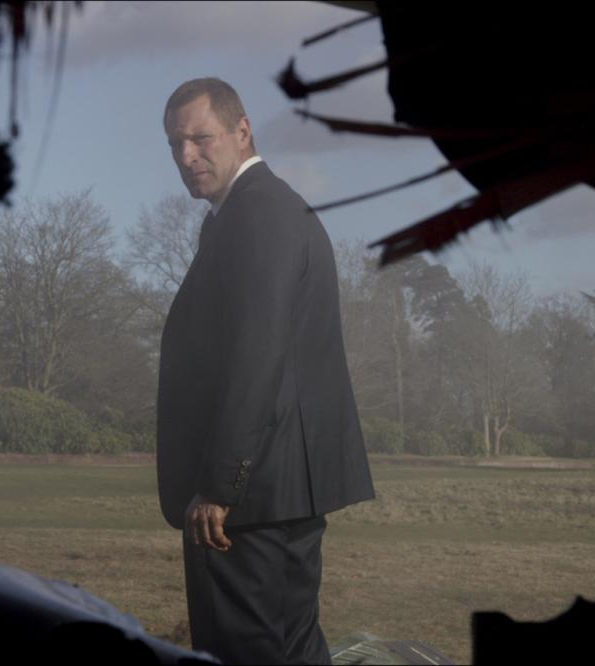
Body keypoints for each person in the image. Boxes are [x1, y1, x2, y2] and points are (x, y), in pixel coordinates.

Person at [155, 77, 375, 664]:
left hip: (248, 502)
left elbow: (256, 354)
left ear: (242, 131)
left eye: (200, 138)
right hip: (278, 492)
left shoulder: (257, 213)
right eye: (175, 144)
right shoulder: (261, 210)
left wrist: (220, 485)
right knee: (292, 650)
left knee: (245, 654)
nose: (186, 156)